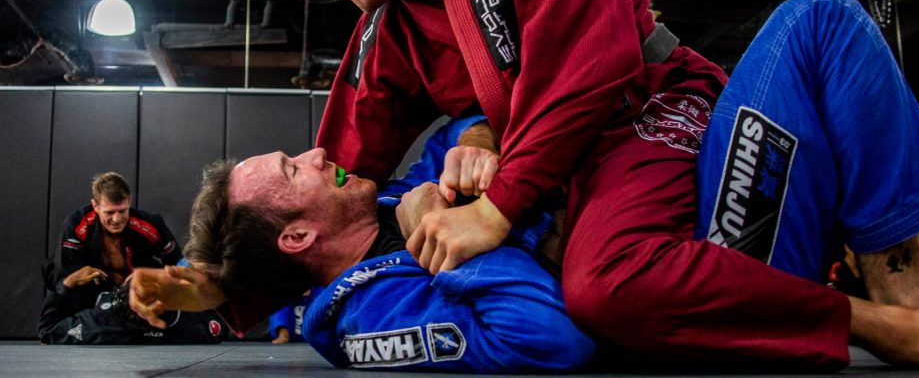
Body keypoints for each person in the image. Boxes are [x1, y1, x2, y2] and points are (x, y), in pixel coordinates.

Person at [130, 0, 919, 371]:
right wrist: (221, 279)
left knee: (816, 19)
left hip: (653, 113)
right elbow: (334, 183)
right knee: (603, 281)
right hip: (587, 179)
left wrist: (499, 200)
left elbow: (593, 63)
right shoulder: (387, 35)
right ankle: (904, 253)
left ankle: (909, 289)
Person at [132, 116, 593, 372]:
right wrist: (444, 231)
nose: (316, 154)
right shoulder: (373, 315)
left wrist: (474, 144)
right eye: (293, 170)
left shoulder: (393, 199)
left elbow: (456, 129)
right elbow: (548, 338)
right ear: (297, 237)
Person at [40, 171, 224, 344]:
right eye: (109, 212)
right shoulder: (77, 225)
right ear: (95, 206)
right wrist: (71, 282)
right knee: (57, 274)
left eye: (122, 211)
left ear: (129, 201)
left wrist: (181, 292)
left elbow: (179, 265)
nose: (117, 219)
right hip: (97, 297)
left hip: (139, 294)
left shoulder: (149, 225)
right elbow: (63, 281)